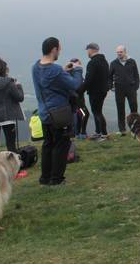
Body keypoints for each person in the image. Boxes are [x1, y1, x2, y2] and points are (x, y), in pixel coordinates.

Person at [32, 37, 83, 186]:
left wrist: (64, 70)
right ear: (54, 49)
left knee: (48, 144)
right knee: (61, 145)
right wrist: (78, 69)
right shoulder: (55, 70)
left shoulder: (35, 67)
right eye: (59, 49)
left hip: (44, 113)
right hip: (59, 114)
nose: (60, 51)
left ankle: (45, 178)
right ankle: (57, 179)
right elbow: (75, 85)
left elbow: (48, 78)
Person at [79, 43, 109, 141]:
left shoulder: (92, 63)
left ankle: (103, 134)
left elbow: (88, 79)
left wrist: (79, 91)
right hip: (103, 90)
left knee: (97, 112)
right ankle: (98, 132)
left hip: (95, 91)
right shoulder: (104, 62)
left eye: (88, 50)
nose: (87, 52)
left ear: (91, 50)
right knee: (97, 111)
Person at [109, 45, 140, 136]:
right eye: (117, 52)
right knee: (120, 110)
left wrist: (136, 86)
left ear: (125, 52)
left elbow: (136, 75)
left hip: (131, 89)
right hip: (119, 90)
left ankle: (135, 129)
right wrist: (111, 86)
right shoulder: (113, 63)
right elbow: (109, 77)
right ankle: (122, 130)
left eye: (120, 52)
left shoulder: (132, 61)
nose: (119, 53)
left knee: (134, 109)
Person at [70, 58, 90, 139]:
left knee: (79, 116)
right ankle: (81, 133)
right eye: (78, 64)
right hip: (78, 102)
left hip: (79, 101)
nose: (79, 65)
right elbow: (77, 87)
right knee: (85, 114)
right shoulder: (74, 74)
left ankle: (78, 134)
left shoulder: (75, 75)